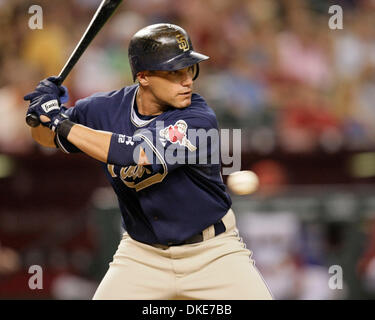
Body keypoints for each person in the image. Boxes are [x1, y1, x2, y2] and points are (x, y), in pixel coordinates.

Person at [24, 23, 273, 300]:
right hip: (142, 254)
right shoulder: (104, 109)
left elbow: (137, 154)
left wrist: (59, 120)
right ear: (143, 77)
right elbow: (46, 139)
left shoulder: (198, 118)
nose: (187, 80)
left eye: (189, 69)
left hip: (212, 253)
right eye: (174, 72)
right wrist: (40, 113)